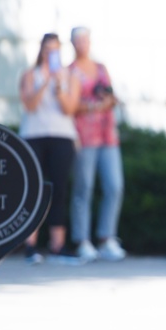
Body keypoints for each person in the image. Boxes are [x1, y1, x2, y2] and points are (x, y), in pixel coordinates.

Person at [19, 33, 81, 264]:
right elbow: (30, 105)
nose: (50, 54)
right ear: (41, 50)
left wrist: (58, 87)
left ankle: (57, 245)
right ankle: (31, 245)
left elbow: (69, 109)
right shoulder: (29, 75)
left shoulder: (70, 76)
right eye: (47, 49)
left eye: (54, 50)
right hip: (34, 135)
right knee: (33, 190)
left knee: (59, 189)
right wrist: (44, 82)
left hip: (62, 137)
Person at [68, 27, 126, 262]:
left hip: (107, 135)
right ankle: (82, 240)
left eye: (86, 39)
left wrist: (107, 100)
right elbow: (70, 106)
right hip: (84, 135)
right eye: (78, 40)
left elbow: (112, 97)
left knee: (114, 186)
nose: (83, 44)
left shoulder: (101, 68)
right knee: (84, 187)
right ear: (72, 43)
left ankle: (106, 237)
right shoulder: (70, 72)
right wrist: (94, 106)